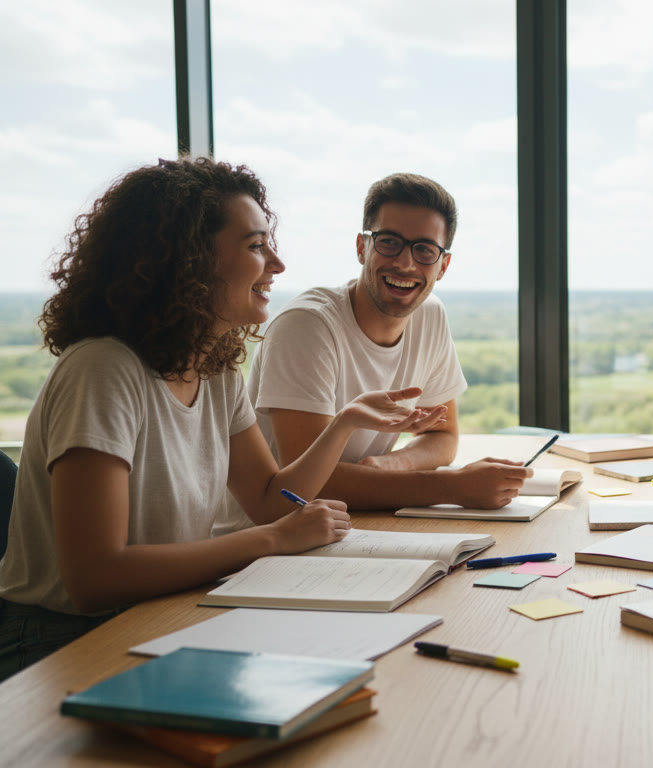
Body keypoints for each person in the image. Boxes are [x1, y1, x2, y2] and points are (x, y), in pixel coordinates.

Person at [0, 158, 445, 681]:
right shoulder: (103, 370)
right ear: (186, 261)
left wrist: (343, 423)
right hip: (64, 639)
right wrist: (276, 541)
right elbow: (94, 578)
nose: (277, 264)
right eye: (256, 246)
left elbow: (266, 501)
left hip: (159, 611)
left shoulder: (214, 368)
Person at [212, 173, 529, 535]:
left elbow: (444, 437)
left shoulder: (430, 314)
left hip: (351, 526)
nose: (406, 264)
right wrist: (453, 488)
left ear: (443, 265)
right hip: (260, 543)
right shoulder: (308, 325)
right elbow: (310, 486)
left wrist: (386, 466)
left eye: (425, 249)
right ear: (362, 247)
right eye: (390, 242)